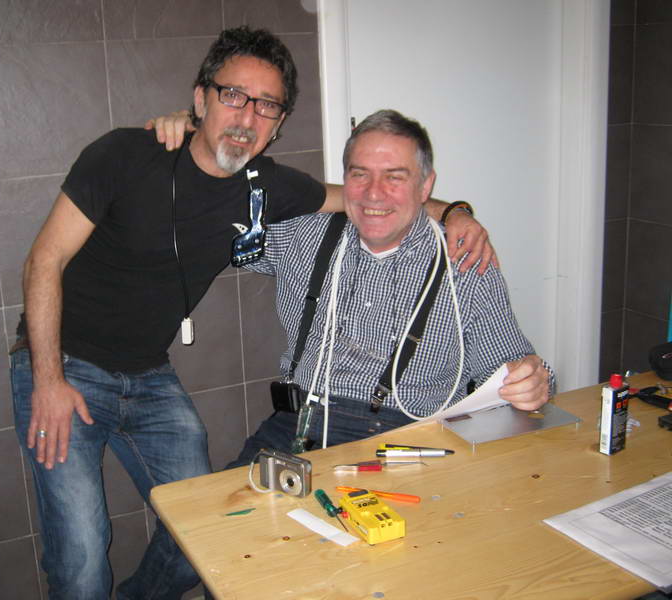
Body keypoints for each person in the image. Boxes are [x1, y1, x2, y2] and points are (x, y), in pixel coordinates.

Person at [10, 25, 495, 600]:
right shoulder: (125, 154)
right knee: (84, 555)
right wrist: (48, 379)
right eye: (233, 95)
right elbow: (43, 260)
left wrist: (455, 212)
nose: (246, 117)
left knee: (204, 529)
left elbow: (366, 198)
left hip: (147, 373)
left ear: (278, 124)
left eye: (266, 105)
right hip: (63, 362)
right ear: (200, 99)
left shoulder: (268, 187)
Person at [229, 109, 553, 465]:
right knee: (215, 502)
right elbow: (220, 207)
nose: (374, 193)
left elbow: (512, 367)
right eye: (360, 174)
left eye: (394, 177)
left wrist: (533, 381)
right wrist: (199, 135)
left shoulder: (463, 263)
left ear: (425, 186)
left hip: (411, 438)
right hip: (298, 425)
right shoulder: (303, 235)